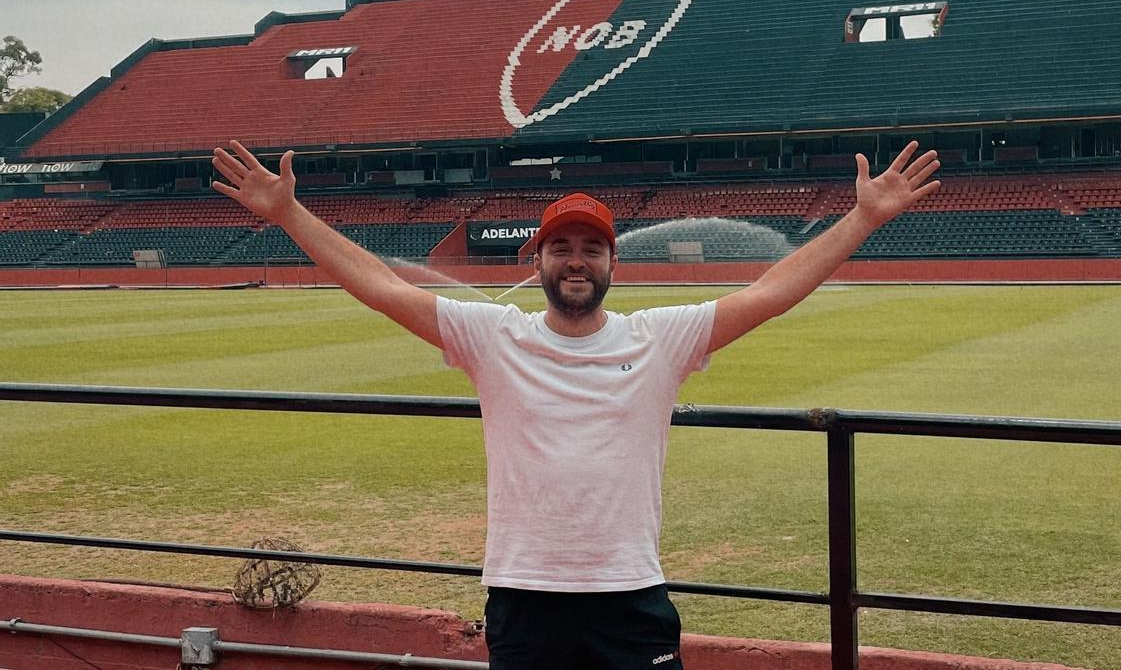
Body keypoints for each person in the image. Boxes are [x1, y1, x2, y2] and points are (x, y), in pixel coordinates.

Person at [211, 139, 940, 669]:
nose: (576, 260)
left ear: (614, 262)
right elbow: (380, 284)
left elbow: (768, 294)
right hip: (524, 598)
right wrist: (289, 214)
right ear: (537, 263)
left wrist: (864, 219)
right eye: (560, 246)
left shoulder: (660, 337)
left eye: (592, 247)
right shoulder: (493, 335)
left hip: (630, 595)